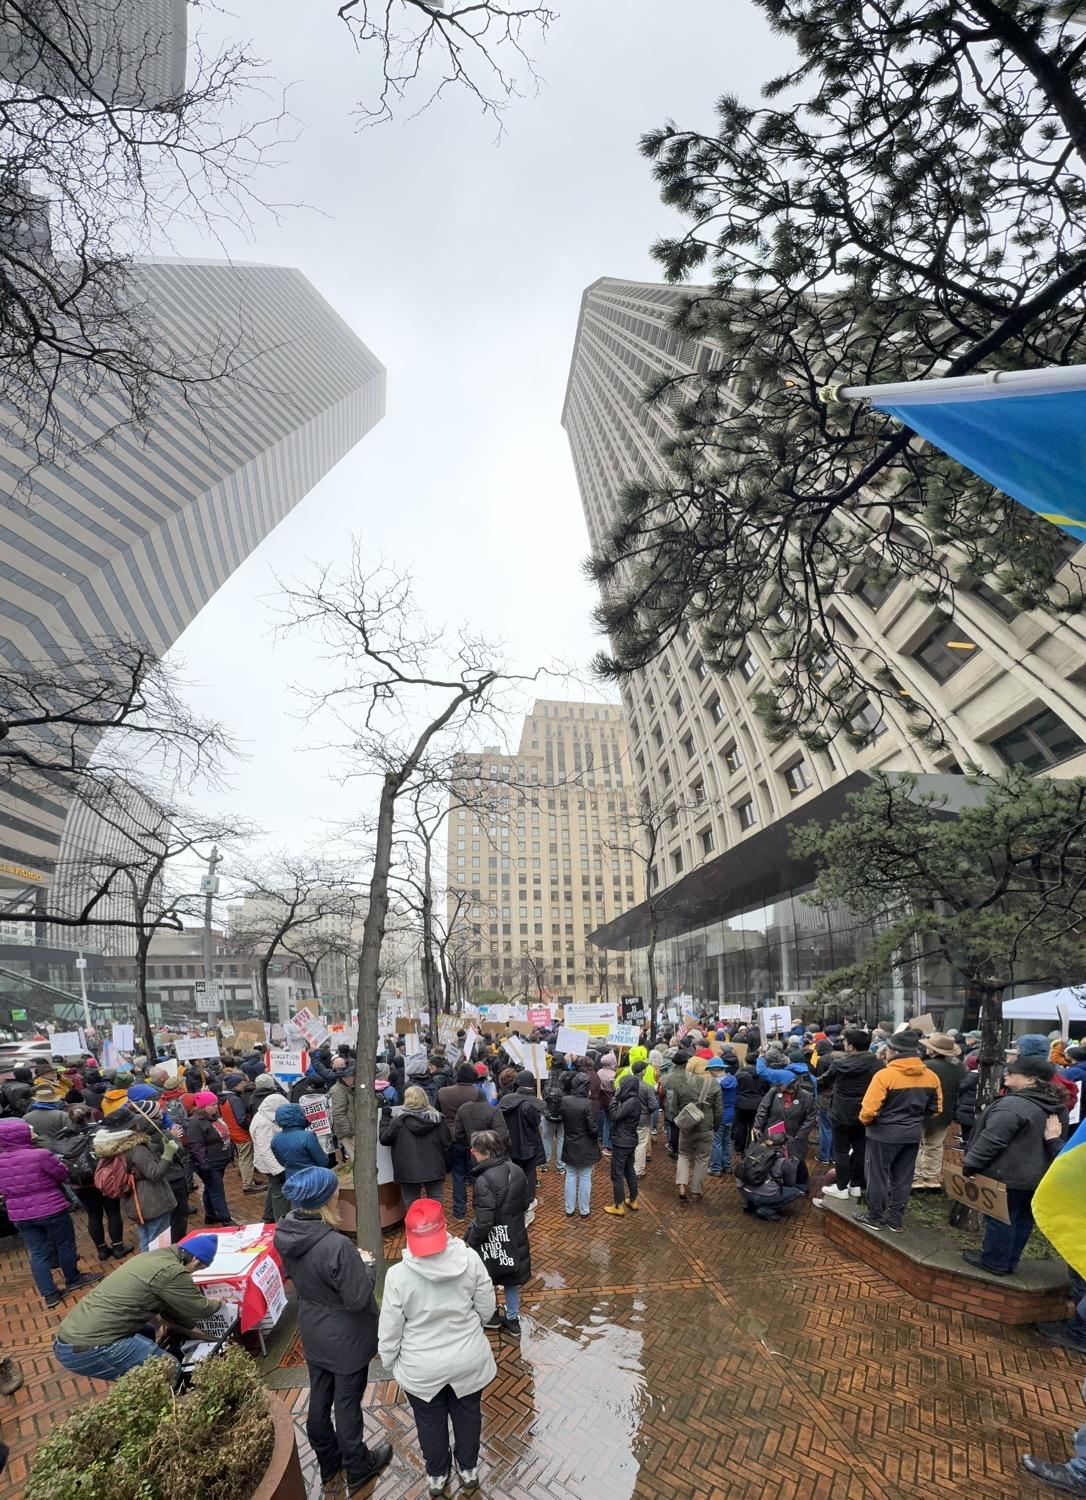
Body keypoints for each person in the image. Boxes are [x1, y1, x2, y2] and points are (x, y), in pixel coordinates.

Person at [274, 1167, 392, 1493]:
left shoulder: (285, 1233)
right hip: (346, 1339)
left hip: (314, 1332)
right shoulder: (336, 1245)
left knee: (320, 1398)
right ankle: (358, 1466)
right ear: (327, 1199)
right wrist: (366, 1265)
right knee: (347, 1404)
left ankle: (329, 1463)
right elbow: (356, 1299)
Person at [379, 1198, 496, 1496]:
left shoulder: (398, 1276)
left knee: (428, 1420)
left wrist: (389, 1360)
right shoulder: (470, 1260)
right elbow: (486, 1306)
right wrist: (471, 1329)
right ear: (443, 1227)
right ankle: (468, 1469)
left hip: (421, 1367)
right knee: (469, 1414)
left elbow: (391, 1328)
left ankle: (437, 1475)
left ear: (409, 1235)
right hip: (468, 1359)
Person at [52, 1234, 221, 1385]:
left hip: (69, 1337)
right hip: (89, 1347)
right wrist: (219, 1302)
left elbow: (170, 1310)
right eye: (198, 1269)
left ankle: (141, 1371)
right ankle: (159, 1402)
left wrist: (195, 1331)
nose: (192, 1273)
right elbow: (200, 1308)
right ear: (196, 1261)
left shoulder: (151, 1257)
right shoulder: (172, 1271)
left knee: (147, 1331)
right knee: (169, 1369)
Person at [961, 1056, 1066, 1276]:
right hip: (1036, 1178)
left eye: (1013, 1071)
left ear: (1030, 1080)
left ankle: (995, 1261)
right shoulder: (1056, 1105)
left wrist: (971, 1164)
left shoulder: (1013, 1106)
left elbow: (992, 1140)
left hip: (1007, 1175)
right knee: (1022, 1220)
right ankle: (1009, 1260)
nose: (1007, 1073)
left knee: (1000, 1219)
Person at [0, 1117, 100, 1307]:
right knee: (64, 1244)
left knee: (37, 1252)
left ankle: (50, 1294)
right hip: (50, 1206)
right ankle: (73, 1278)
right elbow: (61, 1174)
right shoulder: (39, 1155)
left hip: (20, 1214)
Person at [856, 1032, 941, 1232]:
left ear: (893, 1051)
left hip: (882, 1134)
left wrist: (871, 1123)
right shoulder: (931, 1076)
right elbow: (937, 1108)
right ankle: (895, 1219)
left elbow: (868, 1111)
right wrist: (916, 1122)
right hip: (912, 1134)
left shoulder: (885, 1075)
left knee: (877, 1176)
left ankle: (874, 1217)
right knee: (903, 1178)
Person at [464, 1128, 532, 1336]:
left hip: (492, 1238)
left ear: (482, 1152)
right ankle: (513, 1320)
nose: (472, 1154)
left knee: (488, 1277)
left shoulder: (484, 1181)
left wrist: (470, 1239)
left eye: (473, 1151)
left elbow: (484, 1221)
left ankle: (491, 1316)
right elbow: (526, 1202)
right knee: (511, 1279)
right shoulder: (517, 1170)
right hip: (516, 1233)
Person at [93, 1107, 181, 1251]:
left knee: (146, 1238)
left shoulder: (111, 1146)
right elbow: (154, 1173)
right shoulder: (135, 1147)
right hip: (152, 1200)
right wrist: (167, 1154)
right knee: (159, 1243)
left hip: (134, 1200)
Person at [57, 1104, 132, 1261]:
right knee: (113, 1212)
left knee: (93, 1215)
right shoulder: (100, 1131)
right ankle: (118, 1247)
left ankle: (102, 1250)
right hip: (104, 1179)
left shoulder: (63, 1136)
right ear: (91, 1114)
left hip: (79, 1183)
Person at [820, 1029, 883, 1201]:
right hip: (865, 1113)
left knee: (840, 1150)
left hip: (840, 1113)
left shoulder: (839, 1063)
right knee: (861, 1149)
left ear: (851, 1045)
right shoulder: (878, 1065)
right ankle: (855, 1185)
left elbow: (824, 1081)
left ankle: (841, 1187)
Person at [380, 1085, 452, 1208]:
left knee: (411, 1201)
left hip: (407, 1169)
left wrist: (385, 1119)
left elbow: (384, 1139)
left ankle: (416, 1226)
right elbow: (446, 1145)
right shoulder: (437, 1118)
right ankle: (436, 1224)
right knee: (436, 1198)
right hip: (434, 1167)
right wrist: (447, 1166)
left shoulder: (399, 1121)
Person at [753, 1051, 817, 1185]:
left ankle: (800, 1185)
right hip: (772, 1133)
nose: (781, 1088)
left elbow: (810, 1118)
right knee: (770, 1157)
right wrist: (758, 1126)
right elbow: (763, 1108)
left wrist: (801, 1135)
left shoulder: (806, 1097)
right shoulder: (774, 1091)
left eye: (784, 1087)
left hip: (793, 1135)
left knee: (796, 1160)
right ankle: (771, 1182)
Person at [912, 1034, 965, 1190]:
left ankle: (916, 1178)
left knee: (915, 1146)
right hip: (945, 1111)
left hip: (922, 1111)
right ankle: (932, 1178)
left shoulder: (926, 1066)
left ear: (934, 1050)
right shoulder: (959, 1066)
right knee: (935, 1145)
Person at [668, 1054, 723, 1204]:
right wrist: (715, 1126)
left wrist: (679, 1123)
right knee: (702, 1159)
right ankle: (697, 1191)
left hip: (687, 1127)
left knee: (684, 1155)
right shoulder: (714, 1085)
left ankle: (681, 1187)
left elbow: (673, 1108)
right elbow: (718, 1111)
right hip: (706, 1126)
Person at [438, 1062, 487, 1219]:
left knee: (457, 1175)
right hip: (474, 1138)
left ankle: (459, 1212)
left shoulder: (443, 1092)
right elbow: (485, 1113)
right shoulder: (477, 1093)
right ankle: (479, 1208)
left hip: (452, 1138)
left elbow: (437, 1113)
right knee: (477, 1175)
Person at [185, 1090, 235, 1227]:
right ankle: (226, 1219)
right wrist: (203, 1164)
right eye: (212, 1105)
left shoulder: (215, 1117)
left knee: (210, 1189)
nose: (215, 1107)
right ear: (203, 1106)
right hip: (209, 1164)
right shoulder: (195, 1123)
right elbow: (196, 1147)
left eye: (216, 1104)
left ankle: (210, 1215)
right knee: (217, 1191)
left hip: (220, 1161)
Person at [496, 1070, 545, 1202]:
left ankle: (512, 1200)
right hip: (529, 1146)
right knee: (529, 1174)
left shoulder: (506, 1100)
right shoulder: (533, 1104)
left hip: (510, 1144)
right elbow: (536, 1124)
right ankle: (527, 1203)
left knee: (511, 1174)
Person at [558, 1071, 600, 1217]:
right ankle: (584, 1210)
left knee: (570, 1175)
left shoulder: (565, 1100)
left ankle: (569, 1208)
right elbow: (593, 1129)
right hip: (586, 1145)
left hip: (570, 1143)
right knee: (585, 1177)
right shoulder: (588, 1104)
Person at [250, 1075, 290, 1220]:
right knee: (280, 1193)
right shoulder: (264, 1123)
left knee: (273, 1189)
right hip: (272, 1165)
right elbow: (265, 1149)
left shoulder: (263, 1116)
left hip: (270, 1164)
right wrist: (278, 1171)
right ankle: (282, 1222)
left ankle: (267, 1218)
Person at [605, 1073, 641, 1216]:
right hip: (629, 1140)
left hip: (622, 1142)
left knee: (617, 1174)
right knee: (628, 1170)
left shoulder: (630, 1102)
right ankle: (633, 1200)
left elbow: (614, 1116)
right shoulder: (634, 1100)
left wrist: (614, 1097)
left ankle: (618, 1205)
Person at [220, 1072, 260, 1193]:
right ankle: (248, 1185)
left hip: (232, 1132)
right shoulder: (235, 1099)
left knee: (243, 1157)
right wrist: (252, 1124)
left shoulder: (223, 1098)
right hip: (241, 1134)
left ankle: (250, 1178)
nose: (243, 1086)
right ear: (234, 1086)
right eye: (241, 1084)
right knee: (246, 1158)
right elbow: (241, 1119)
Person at [707, 1056, 738, 1177]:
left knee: (716, 1142)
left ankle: (715, 1168)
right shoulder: (733, 1079)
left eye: (710, 1070)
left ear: (715, 1070)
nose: (710, 1073)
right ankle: (727, 1166)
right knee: (727, 1142)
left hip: (719, 1116)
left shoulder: (714, 1083)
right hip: (731, 1114)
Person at [631, 1060, 657, 1178]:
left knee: (629, 1143)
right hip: (643, 1119)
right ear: (643, 1072)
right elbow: (653, 1105)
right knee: (641, 1145)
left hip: (628, 1118)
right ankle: (638, 1170)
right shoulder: (648, 1087)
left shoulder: (625, 1084)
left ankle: (628, 1167)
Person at [328, 1063, 356, 1164]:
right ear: (344, 1078)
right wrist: (349, 1132)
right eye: (352, 1076)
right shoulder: (337, 1091)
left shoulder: (347, 1088)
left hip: (352, 1129)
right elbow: (339, 1113)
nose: (354, 1078)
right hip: (348, 1132)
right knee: (357, 1159)